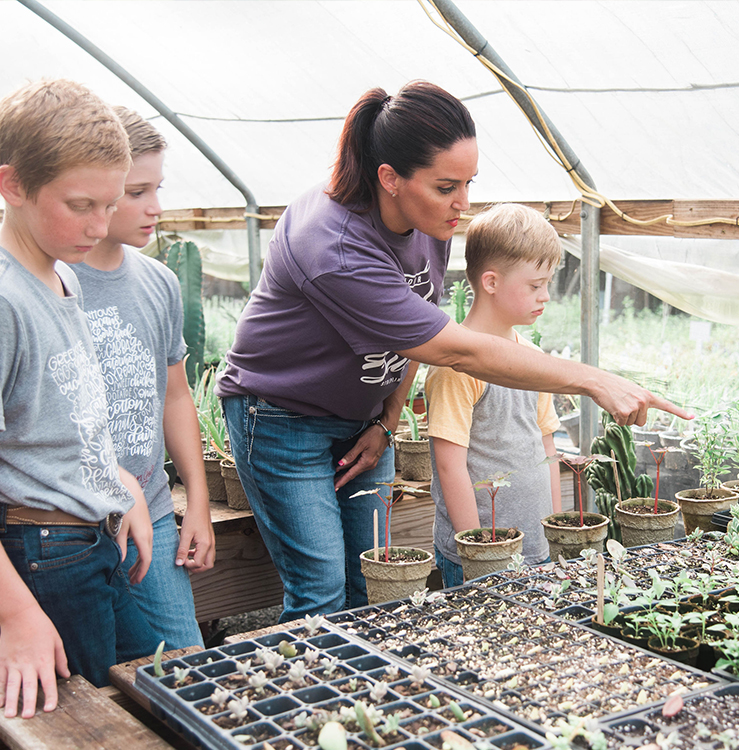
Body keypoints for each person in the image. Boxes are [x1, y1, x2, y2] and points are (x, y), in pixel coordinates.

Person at [216, 80, 689, 623]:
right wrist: (590, 378)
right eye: (447, 186)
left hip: (361, 421)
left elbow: (419, 325)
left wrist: (387, 422)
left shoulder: (429, 219)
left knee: (370, 580)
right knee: (321, 592)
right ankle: (311, 701)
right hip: (281, 418)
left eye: (469, 183)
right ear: (389, 179)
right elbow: (455, 349)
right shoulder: (333, 244)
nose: (462, 204)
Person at [0, 79, 161, 719]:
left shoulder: (60, 271)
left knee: (109, 702)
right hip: (42, 558)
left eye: (110, 204)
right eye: (80, 205)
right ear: (12, 185)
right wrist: (17, 617)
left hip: (91, 538)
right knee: (71, 722)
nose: (99, 227)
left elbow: (61, 415)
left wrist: (116, 482)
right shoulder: (6, 300)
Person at [71, 107, 215, 649]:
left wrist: (195, 502)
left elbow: (175, 397)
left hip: (153, 512)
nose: (155, 208)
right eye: (136, 192)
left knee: (184, 664)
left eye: (157, 188)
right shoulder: (52, 281)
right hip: (73, 527)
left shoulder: (158, 283)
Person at [426, 203, 564, 587]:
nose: (546, 296)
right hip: (480, 556)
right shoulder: (457, 367)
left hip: (536, 548)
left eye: (548, 284)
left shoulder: (535, 360)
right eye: (536, 285)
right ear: (491, 282)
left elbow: (547, 449)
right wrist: (478, 553)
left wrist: (553, 530)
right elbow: (450, 466)